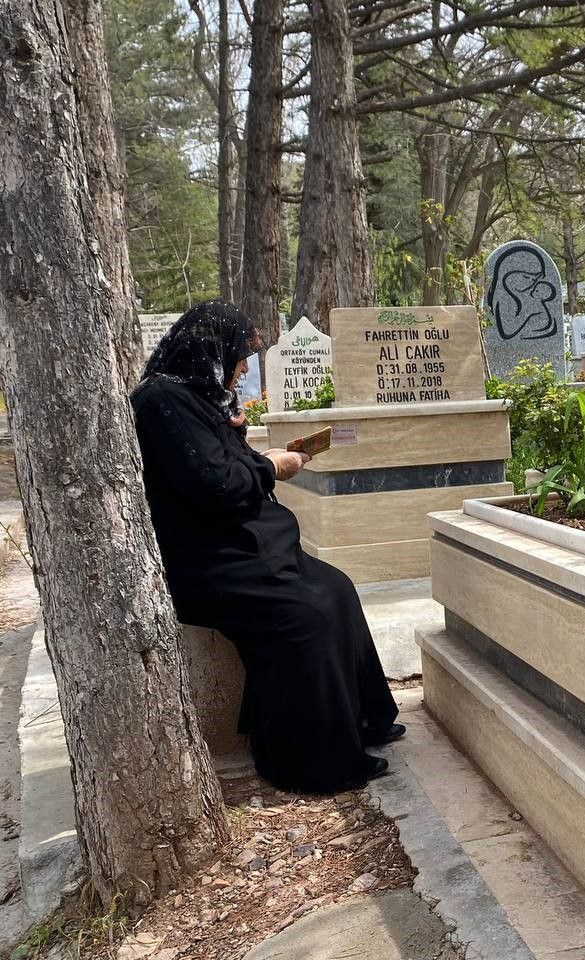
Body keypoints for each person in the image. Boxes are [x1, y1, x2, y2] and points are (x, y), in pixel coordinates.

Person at [131, 301, 402, 794]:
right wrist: (272, 467)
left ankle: (365, 721)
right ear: (209, 351)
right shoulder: (161, 402)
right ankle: (311, 762)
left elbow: (220, 465)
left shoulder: (194, 397)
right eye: (238, 358)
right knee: (307, 615)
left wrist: (248, 446)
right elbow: (214, 485)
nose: (243, 368)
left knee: (336, 588)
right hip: (212, 561)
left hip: (249, 549)